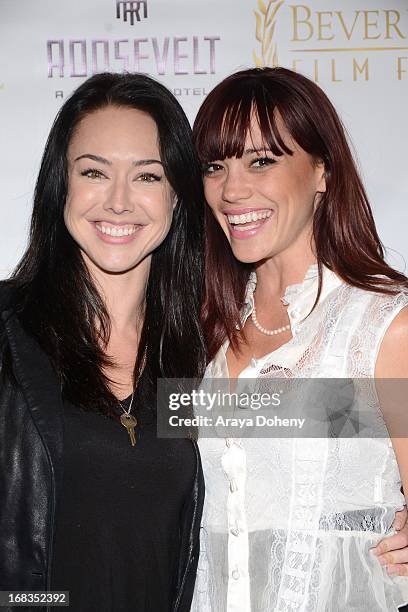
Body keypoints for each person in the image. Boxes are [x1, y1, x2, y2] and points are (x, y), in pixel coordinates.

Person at [190, 67, 408, 611]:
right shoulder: (200, 333)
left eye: (262, 160)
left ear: (321, 172)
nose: (232, 189)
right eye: (216, 166)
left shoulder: (383, 327)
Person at [0, 72, 206, 611]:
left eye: (147, 177)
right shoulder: (6, 331)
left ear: (178, 196)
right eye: (94, 172)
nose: (118, 201)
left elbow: (343, 416)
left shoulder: (201, 352)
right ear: (60, 185)